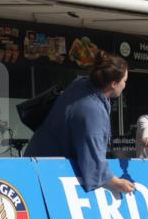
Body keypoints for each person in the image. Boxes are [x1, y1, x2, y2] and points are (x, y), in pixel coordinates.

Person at [25, 52, 135, 195]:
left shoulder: (81, 84)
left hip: (35, 161)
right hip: (46, 173)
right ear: (113, 84)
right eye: (124, 81)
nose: (125, 85)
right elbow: (93, 162)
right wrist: (116, 182)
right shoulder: (93, 111)